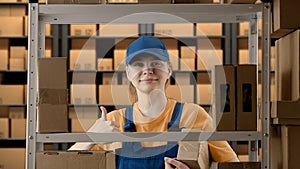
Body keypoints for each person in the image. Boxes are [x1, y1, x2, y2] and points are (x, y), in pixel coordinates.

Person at [69, 36, 239, 169]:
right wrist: (91, 137)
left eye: (156, 63)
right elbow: (63, 164)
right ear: (128, 73)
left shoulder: (193, 115)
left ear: (169, 70)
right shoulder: (113, 122)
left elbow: (233, 164)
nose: (148, 71)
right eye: (138, 64)